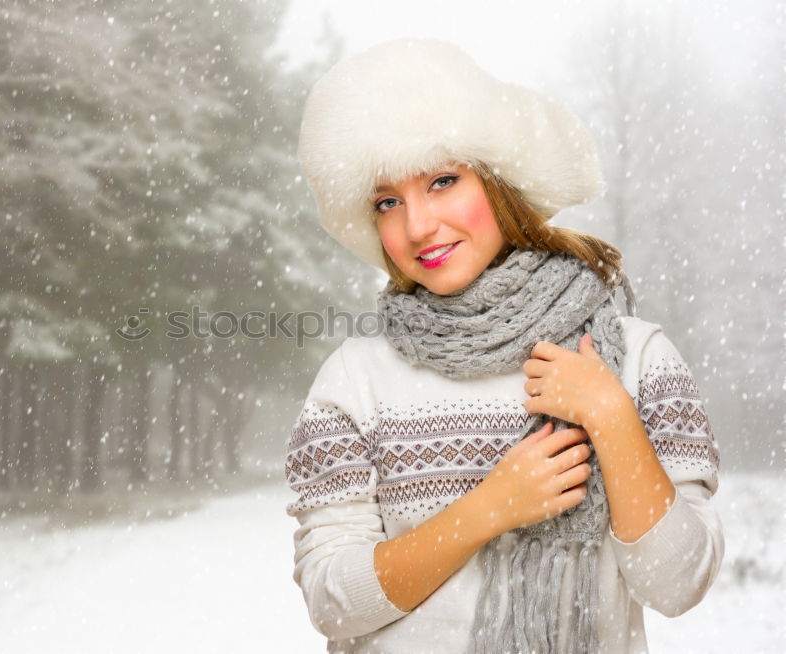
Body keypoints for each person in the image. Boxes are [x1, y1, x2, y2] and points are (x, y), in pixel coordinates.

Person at [283, 37, 722, 654]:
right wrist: (488, 509)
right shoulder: (356, 378)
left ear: (499, 184)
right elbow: (332, 602)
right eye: (388, 201)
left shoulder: (635, 354)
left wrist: (611, 416)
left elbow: (677, 586)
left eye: (441, 181)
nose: (417, 226)